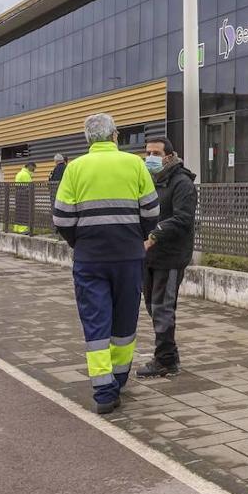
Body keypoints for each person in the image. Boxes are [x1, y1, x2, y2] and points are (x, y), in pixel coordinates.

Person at [53, 113, 159, 414]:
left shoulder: (74, 169)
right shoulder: (135, 164)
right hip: (129, 256)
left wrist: (79, 241)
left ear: (88, 139)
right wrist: (136, 235)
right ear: (116, 135)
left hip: (90, 259)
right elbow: (152, 211)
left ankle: (104, 392)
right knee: (125, 321)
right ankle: (120, 376)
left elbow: (61, 217)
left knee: (96, 321)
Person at [137, 137, 198, 379]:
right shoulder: (149, 181)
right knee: (153, 305)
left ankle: (165, 360)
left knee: (163, 307)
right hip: (149, 257)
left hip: (170, 256)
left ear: (169, 156)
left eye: (156, 153)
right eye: (148, 153)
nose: (150, 158)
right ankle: (169, 354)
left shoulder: (182, 183)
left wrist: (154, 235)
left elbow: (183, 219)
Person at [13, 162, 38, 234]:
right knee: (25, 212)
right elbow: (29, 187)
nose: (34, 170)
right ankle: (23, 229)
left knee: (19, 212)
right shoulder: (25, 175)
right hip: (25, 196)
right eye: (33, 168)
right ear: (30, 166)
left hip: (18, 195)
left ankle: (17, 228)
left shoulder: (19, 173)